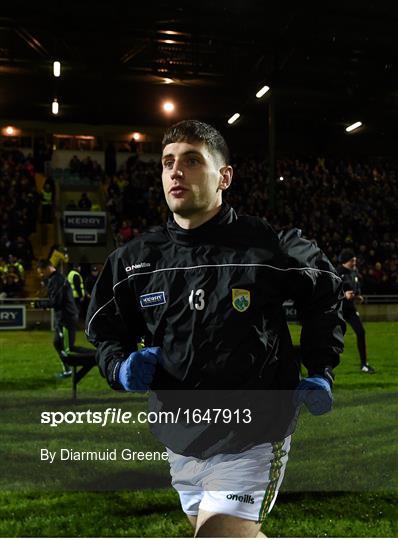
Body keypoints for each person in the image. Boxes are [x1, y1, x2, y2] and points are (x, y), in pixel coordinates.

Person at [86, 120, 345, 537]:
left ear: (224, 176)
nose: (176, 171)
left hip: (254, 435)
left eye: (191, 161)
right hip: (179, 437)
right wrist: (119, 366)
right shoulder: (134, 260)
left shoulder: (268, 246)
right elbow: (105, 330)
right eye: (168, 162)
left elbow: (327, 292)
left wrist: (319, 368)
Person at [37, 259, 79, 377]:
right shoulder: (56, 279)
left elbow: (56, 302)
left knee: (68, 348)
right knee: (59, 343)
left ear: (47, 268)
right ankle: (68, 369)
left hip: (66, 317)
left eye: (41, 272)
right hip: (64, 317)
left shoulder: (56, 280)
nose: (41, 275)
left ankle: (96, 356)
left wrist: (40, 304)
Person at [338, 249, 375, 374]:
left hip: (350, 309)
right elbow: (331, 293)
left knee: (361, 332)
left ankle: (364, 364)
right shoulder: (337, 272)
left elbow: (355, 289)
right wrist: (343, 295)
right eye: (352, 260)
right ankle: (324, 366)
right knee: (332, 337)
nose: (355, 262)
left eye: (355, 260)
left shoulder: (354, 272)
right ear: (346, 260)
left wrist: (358, 297)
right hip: (338, 310)